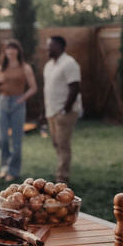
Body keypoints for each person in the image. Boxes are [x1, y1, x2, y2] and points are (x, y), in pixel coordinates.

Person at [0, 39, 38, 182]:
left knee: (17, 139)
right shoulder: (0, 68)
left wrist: (22, 99)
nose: (10, 51)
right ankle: (4, 167)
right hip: (3, 102)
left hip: (18, 103)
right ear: (5, 52)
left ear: (18, 51)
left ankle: (13, 170)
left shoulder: (25, 67)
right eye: (8, 49)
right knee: (2, 139)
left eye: (13, 48)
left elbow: (33, 88)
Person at [43, 35, 83, 183]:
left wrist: (65, 109)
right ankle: (61, 172)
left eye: (51, 45)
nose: (48, 48)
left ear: (61, 47)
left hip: (65, 112)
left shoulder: (69, 63)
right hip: (51, 111)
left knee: (63, 144)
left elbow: (75, 87)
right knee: (57, 143)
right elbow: (47, 90)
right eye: (48, 45)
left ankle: (62, 178)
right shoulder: (49, 66)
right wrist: (43, 111)